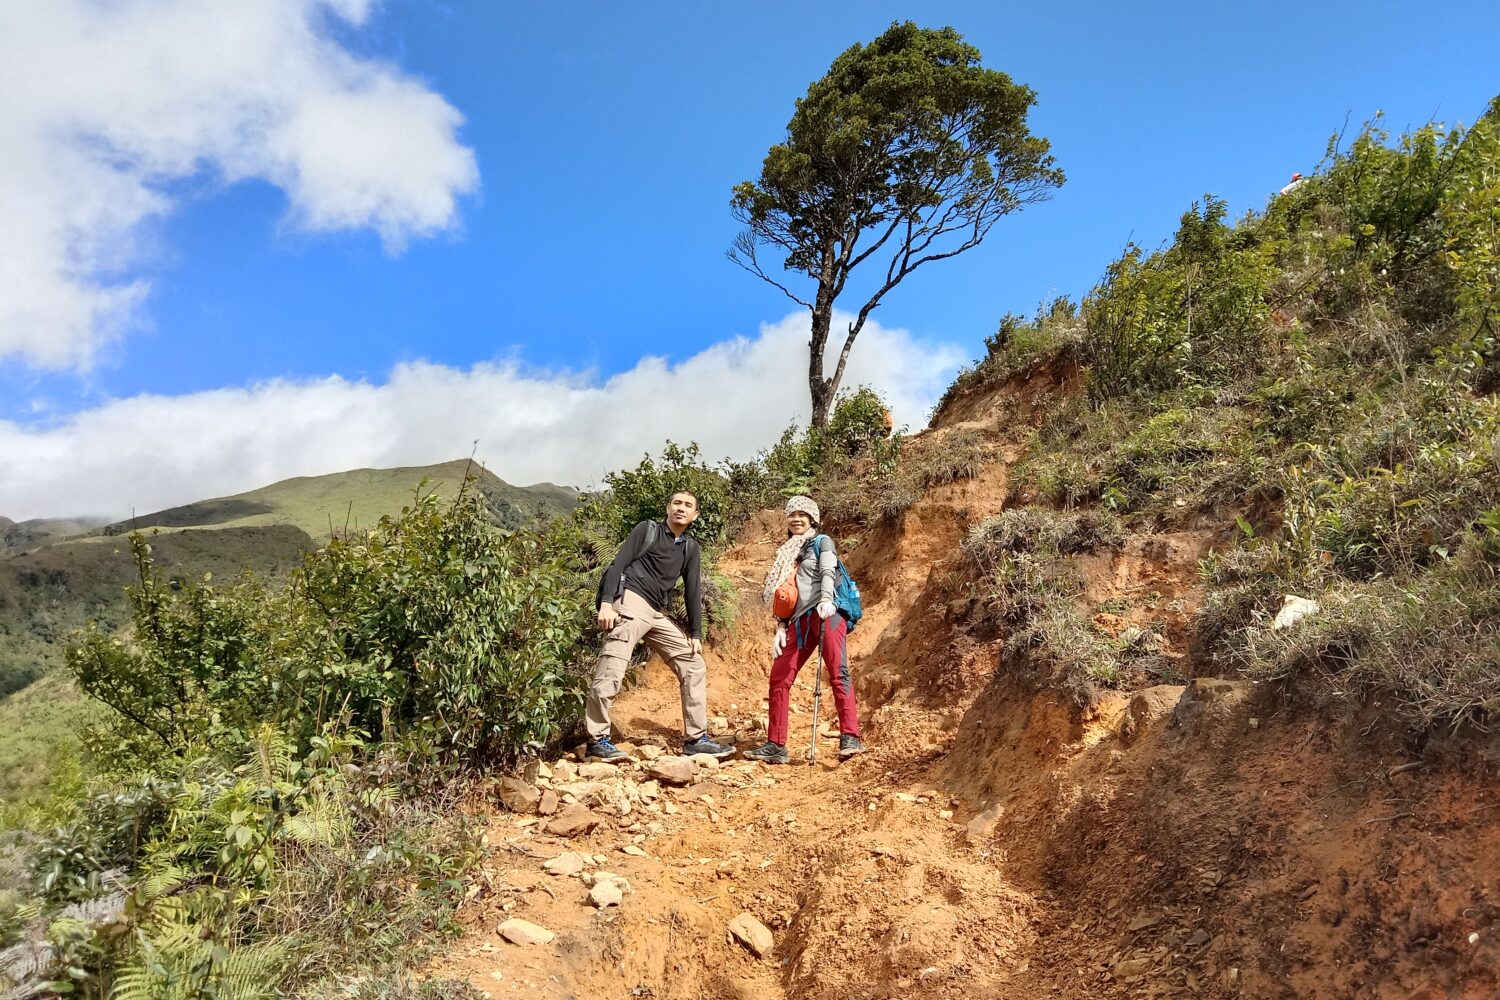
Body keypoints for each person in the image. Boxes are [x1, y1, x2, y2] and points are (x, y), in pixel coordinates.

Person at [586, 490, 736, 762]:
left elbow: (693, 590)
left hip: (656, 612)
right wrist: (607, 603)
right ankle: (597, 740)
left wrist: (695, 633)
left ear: (695, 515)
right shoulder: (648, 529)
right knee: (613, 666)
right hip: (631, 600)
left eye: (688, 505)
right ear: (668, 507)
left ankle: (696, 739)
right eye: (677, 503)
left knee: (693, 664)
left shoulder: (690, 548)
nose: (681, 508)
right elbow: (618, 563)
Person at [746, 496, 864, 764]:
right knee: (779, 676)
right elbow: (787, 595)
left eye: (803, 514)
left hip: (827, 612)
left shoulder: (822, 542)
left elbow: (828, 570)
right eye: (792, 514)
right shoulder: (787, 552)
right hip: (798, 621)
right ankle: (776, 744)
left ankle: (850, 737)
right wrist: (780, 625)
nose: (796, 519)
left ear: (813, 519)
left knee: (837, 671)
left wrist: (825, 599)